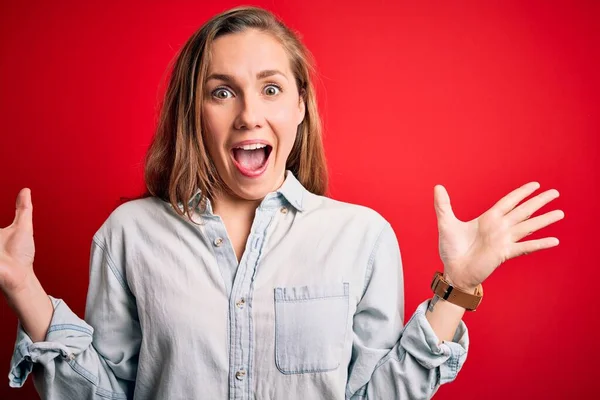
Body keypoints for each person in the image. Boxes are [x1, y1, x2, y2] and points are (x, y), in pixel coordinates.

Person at [2, 6, 564, 400]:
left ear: (300, 106)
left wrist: (457, 289)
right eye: (222, 92)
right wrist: (23, 286)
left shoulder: (361, 238)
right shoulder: (129, 235)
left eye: (271, 89)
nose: (249, 114)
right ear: (194, 112)